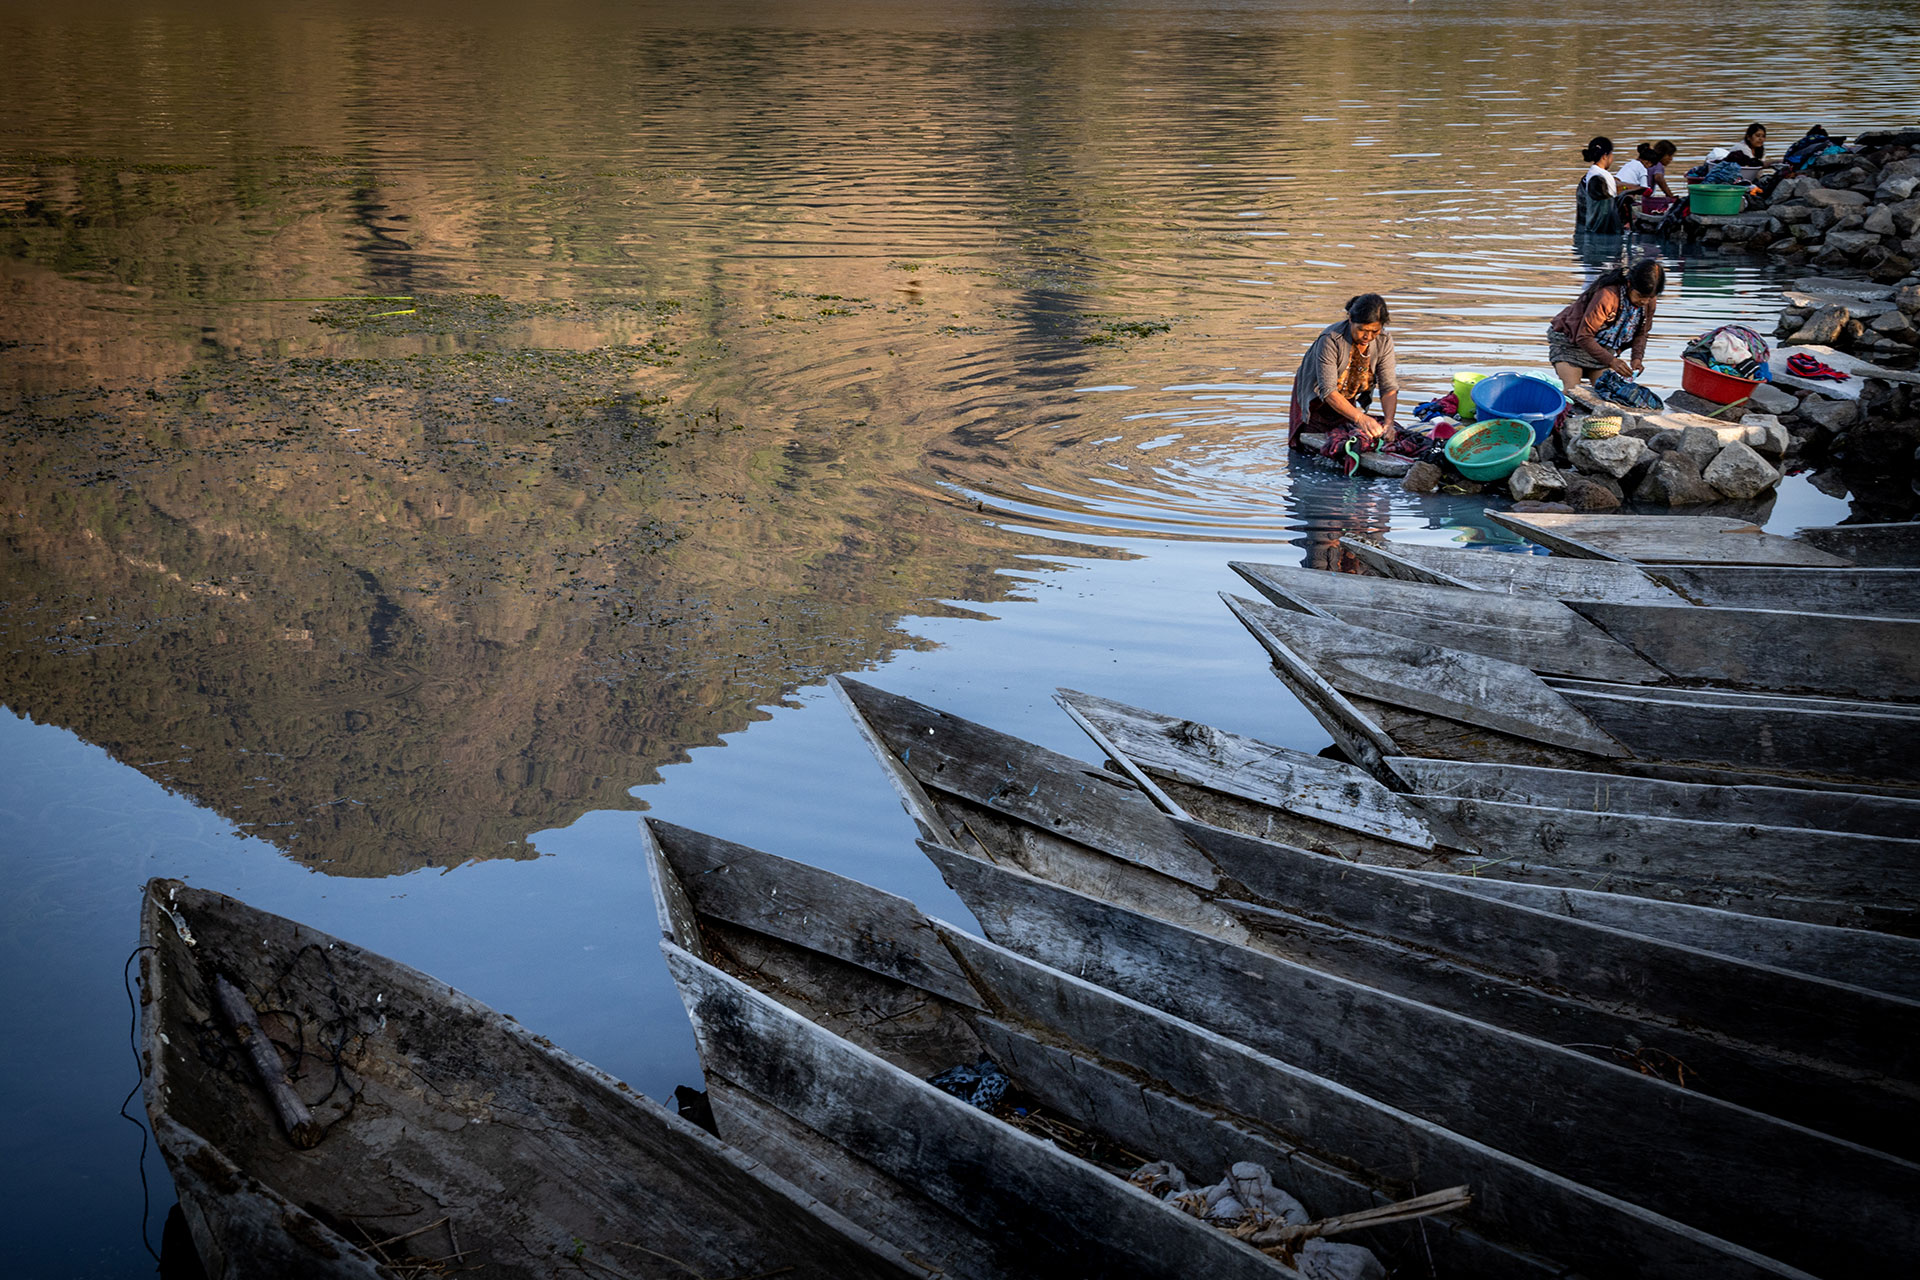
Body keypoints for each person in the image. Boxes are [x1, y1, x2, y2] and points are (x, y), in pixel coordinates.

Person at [1289, 294, 1437, 473]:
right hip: (1317, 400)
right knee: (1309, 454)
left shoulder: (1383, 340)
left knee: (1345, 440)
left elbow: (1388, 387)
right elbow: (1328, 391)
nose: (1368, 336)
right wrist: (1360, 418)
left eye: (1374, 331)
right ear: (1350, 319)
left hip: (1346, 394)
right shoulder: (1330, 339)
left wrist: (1389, 423)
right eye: (1362, 330)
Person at [1547, 259, 1666, 396]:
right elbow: (1584, 336)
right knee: (1572, 393)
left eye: (1649, 297)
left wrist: (1637, 359)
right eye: (1640, 296)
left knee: (1606, 395)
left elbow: (1642, 333)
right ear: (1629, 284)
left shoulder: (1649, 302)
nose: (1644, 301)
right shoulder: (1607, 296)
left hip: (1601, 351)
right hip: (1570, 345)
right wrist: (1612, 361)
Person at [1575, 137, 1624, 234]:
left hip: (1590, 227)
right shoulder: (1604, 176)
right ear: (1605, 156)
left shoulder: (1589, 175)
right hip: (1605, 231)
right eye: (1611, 154)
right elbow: (1610, 206)